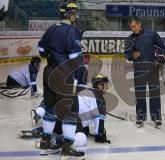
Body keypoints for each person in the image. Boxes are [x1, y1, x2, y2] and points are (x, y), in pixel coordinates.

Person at [37, 0, 85, 157]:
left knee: (50, 108)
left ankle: (45, 143)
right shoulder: (72, 31)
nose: (75, 16)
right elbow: (75, 57)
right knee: (70, 110)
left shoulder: (51, 29)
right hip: (64, 75)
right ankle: (67, 147)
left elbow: (41, 50)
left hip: (48, 72)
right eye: (74, 13)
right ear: (70, 15)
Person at [21, 74, 111, 145]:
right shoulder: (99, 98)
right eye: (105, 85)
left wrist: (85, 126)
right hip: (73, 120)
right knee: (81, 139)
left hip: (60, 114)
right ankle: (57, 141)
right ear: (100, 86)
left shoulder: (85, 91)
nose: (107, 87)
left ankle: (39, 130)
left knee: (57, 125)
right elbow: (99, 122)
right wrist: (100, 135)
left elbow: (81, 106)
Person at [124, 16, 165, 128]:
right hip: (139, 69)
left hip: (152, 69)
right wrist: (132, 55)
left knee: (155, 93)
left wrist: (162, 57)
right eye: (131, 27)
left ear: (139, 24)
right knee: (140, 94)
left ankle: (156, 118)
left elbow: (162, 46)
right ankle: (140, 117)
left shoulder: (151, 34)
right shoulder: (129, 39)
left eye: (134, 26)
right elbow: (127, 54)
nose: (133, 29)